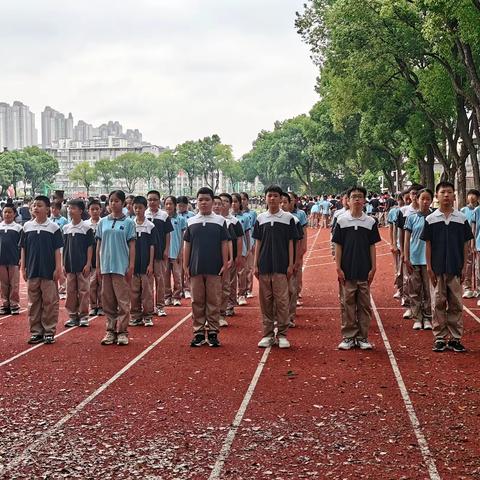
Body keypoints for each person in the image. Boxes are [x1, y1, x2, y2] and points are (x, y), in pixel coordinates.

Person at [422, 182, 473, 352]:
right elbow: (428, 245)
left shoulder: (461, 218)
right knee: (438, 302)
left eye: (449, 192)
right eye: (442, 192)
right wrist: (429, 267)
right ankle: (440, 337)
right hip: (437, 269)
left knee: (456, 303)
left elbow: (466, 245)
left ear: (454, 196)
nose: (446, 195)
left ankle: (455, 337)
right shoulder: (430, 219)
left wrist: (465, 266)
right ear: (437, 196)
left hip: (455, 267)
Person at [333, 186, 381, 350]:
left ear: (364, 200)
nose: (357, 200)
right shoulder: (341, 220)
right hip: (346, 270)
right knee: (347, 304)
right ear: (348, 199)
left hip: (364, 270)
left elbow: (372, 246)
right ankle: (348, 336)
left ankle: (363, 337)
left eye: (360, 197)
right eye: (354, 197)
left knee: (364, 305)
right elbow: (338, 245)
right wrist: (338, 267)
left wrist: (373, 267)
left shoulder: (370, 222)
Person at [183, 187, 229, 347]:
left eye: (207, 199)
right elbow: (187, 245)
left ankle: (213, 332)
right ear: (196, 202)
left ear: (212, 201)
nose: (203, 202)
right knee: (197, 301)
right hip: (195, 267)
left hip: (214, 267)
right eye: (200, 199)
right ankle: (199, 333)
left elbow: (224, 243)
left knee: (213, 300)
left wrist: (225, 263)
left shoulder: (220, 221)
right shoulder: (191, 221)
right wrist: (185, 265)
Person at [253, 185, 298, 349]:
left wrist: (291, 264)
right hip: (264, 265)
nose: (272, 199)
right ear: (265, 198)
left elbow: (291, 242)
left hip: (281, 265)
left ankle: (283, 334)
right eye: (269, 196)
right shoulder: (260, 218)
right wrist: (255, 264)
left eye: (275, 196)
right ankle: (267, 334)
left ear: (280, 199)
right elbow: (257, 242)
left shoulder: (288, 218)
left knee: (282, 301)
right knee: (265, 301)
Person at [20, 196, 64, 344]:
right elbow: (24, 249)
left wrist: (58, 268)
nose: (36, 208)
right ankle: (36, 332)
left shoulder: (53, 228)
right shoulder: (27, 227)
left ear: (47, 209)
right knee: (33, 303)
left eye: (39, 205)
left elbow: (57, 250)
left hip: (48, 271)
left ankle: (49, 331)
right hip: (32, 270)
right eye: (34, 206)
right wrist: (23, 268)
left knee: (50, 302)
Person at [96, 190, 136, 346]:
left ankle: (123, 331)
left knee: (123, 301)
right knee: (108, 301)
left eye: (117, 201)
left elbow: (132, 245)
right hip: (106, 267)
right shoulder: (102, 222)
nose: (113, 203)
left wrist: (131, 265)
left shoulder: (128, 223)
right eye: (111, 201)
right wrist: (98, 265)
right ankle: (110, 330)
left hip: (121, 266)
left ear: (123, 203)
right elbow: (99, 244)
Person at [63, 199, 95, 328]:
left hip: (82, 266)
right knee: (70, 291)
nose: (70, 210)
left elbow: (89, 247)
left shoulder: (86, 228)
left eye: (73, 208)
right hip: (70, 265)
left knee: (83, 291)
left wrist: (88, 264)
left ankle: (83, 316)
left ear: (81, 211)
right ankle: (72, 316)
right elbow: (63, 247)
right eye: (69, 208)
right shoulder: (66, 228)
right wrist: (63, 264)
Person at [404, 189, 433, 330]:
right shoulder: (411, 218)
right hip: (414, 258)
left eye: (428, 199)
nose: (425, 202)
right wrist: (406, 257)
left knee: (428, 290)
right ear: (417, 200)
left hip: (429, 260)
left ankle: (428, 317)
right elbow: (407, 239)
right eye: (423, 199)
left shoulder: (434, 217)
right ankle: (417, 317)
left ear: (432, 200)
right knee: (415, 289)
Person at [146, 190, 173, 317]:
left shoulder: (164, 216)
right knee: (148, 282)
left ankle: (160, 306)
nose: (152, 202)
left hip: (160, 252)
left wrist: (167, 249)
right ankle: (149, 306)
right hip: (146, 254)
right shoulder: (143, 215)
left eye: (155, 199)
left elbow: (168, 234)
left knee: (160, 280)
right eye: (150, 199)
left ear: (159, 201)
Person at [129, 196, 156, 327]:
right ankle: (135, 316)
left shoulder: (150, 226)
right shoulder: (130, 224)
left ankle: (148, 315)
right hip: (133, 265)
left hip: (146, 264)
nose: (138, 210)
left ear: (145, 208)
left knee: (147, 292)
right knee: (133, 292)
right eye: (135, 208)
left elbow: (152, 246)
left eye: (140, 208)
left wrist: (151, 264)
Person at [219, 193, 244, 326]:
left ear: (230, 204)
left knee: (230, 282)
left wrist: (238, 256)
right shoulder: (215, 220)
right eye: (220, 201)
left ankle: (229, 305)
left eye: (226, 201)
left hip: (230, 257)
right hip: (216, 257)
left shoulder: (234, 221)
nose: (222, 204)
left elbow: (239, 239)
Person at [280, 192, 304, 328]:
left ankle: (290, 316)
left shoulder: (294, 221)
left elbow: (299, 242)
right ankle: (280, 317)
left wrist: (296, 260)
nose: (282, 205)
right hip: (278, 260)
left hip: (291, 260)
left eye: (285, 202)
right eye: (281, 202)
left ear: (290, 204)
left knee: (291, 289)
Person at [164, 196, 187, 307]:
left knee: (177, 277)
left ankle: (176, 296)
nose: (168, 206)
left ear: (174, 205)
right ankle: (167, 296)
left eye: (170, 204)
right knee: (165, 277)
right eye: (166, 204)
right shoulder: (163, 218)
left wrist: (180, 252)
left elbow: (183, 236)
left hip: (176, 252)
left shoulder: (180, 219)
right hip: (165, 253)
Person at [0, 203, 22, 315]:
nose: (7, 214)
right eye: (5, 212)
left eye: (10, 212)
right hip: (1, 259)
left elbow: (21, 245)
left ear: (14, 214)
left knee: (14, 283)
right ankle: (5, 304)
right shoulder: (0, 226)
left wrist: (21, 258)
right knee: (3, 283)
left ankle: (14, 304)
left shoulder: (18, 228)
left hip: (13, 259)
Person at [232, 193, 251, 306]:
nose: (233, 204)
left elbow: (247, 235)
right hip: (230, 250)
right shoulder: (226, 218)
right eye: (232, 201)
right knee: (230, 275)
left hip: (242, 249)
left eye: (236, 201)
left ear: (240, 203)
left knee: (241, 272)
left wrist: (248, 248)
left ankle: (242, 295)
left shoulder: (244, 218)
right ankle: (231, 296)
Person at [85, 199, 103, 316]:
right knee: (91, 284)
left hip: (102, 258)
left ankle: (101, 305)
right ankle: (93, 305)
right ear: (88, 211)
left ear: (101, 210)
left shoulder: (104, 223)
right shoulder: (85, 225)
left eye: (97, 209)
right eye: (92, 209)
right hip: (90, 259)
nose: (95, 211)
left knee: (101, 283)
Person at [460, 189, 479, 298]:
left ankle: (477, 288)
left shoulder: (478, 210)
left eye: (474, 195)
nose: (472, 197)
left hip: (477, 240)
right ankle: (467, 288)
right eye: (470, 195)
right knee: (468, 263)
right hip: (466, 241)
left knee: (477, 265)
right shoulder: (463, 210)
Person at [388, 193, 404, 300]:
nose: (403, 201)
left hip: (409, 246)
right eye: (401, 199)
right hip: (398, 245)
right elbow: (391, 228)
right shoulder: (393, 212)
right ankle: (399, 288)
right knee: (398, 268)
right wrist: (392, 243)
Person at [240, 192, 256, 298]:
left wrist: (254, 242)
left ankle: (249, 289)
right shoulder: (234, 215)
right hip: (240, 244)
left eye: (244, 199)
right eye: (240, 199)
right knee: (240, 269)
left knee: (249, 267)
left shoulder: (252, 214)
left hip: (250, 242)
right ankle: (241, 289)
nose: (242, 201)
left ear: (247, 201)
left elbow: (254, 228)